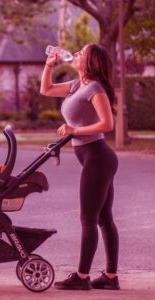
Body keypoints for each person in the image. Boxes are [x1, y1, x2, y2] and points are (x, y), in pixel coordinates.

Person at [40, 44, 120, 290]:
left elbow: (107, 124)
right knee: (104, 218)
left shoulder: (95, 88)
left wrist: (75, 130)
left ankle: (82, 277)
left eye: (81, 53)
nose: (75, 54)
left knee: (89, 218)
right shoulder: (77, 85)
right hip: (92, 157)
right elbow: (47, 89)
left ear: (91, 62)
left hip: (98, 157)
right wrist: (49, 65)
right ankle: (110, 277)